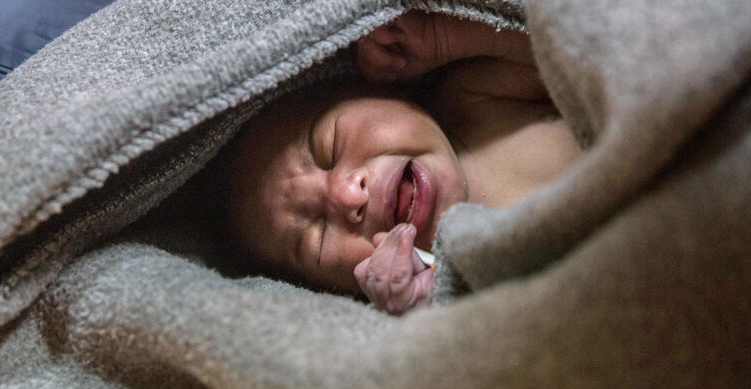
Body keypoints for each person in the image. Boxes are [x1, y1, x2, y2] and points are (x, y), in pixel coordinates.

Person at [220, 11, 582, 315]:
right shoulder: (437, 283)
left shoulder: (473, 101)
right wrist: (432, 299)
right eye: (316, 237)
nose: (348, 196)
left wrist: (444, 38)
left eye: (329, 146)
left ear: (383, 91)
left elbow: (563, 50)